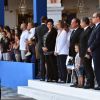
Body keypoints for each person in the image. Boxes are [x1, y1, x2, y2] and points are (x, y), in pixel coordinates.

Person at [80, 17, 94, 89]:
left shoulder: (89, 30)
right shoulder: (84, 30)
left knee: (88, 68)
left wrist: (87, 53)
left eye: (81, 22)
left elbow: (88, 43)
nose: (80, 24)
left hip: (86, 53)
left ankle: (90, 83)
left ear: (85, 22)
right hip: (82, 53)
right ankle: (88, 82)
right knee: (86, 68)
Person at [69, 18, 83, 87]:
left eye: (72, 22)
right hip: (73, 52)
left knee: (79, 68)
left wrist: (78, 50)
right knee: (75, 68)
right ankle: (76, 81)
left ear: (77, 23)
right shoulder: (73, 31)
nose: (71, 24)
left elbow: (80, 42)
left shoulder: (80, 31)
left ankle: (80, 82)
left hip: (78, 52)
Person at [88, 12, 100, 90]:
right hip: (94, 50)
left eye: (93, 17)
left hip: (98, 50)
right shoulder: (95, 26)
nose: (92, 18)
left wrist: (91, 47)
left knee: (98, 67)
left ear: (98, 18)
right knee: (96, 67)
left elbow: (98, 39)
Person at [35, 16, 48, 81]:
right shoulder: (47, 28)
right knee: (48, 61)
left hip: (39, 46)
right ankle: (49, 76)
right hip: (47, 46)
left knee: (42, 62)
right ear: (46, 20)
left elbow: (36, 39)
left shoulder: (37, 28)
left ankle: (42, 77)